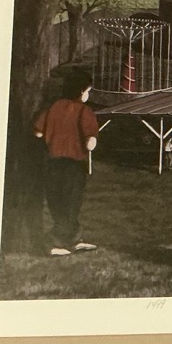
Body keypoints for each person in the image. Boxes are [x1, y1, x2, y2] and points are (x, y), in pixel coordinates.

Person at [33, 72, 100, 257]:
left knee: (57, 202)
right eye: (88, 91)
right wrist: (91, 143)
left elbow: (38, 132)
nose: (88, 95)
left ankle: (73, 239)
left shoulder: (53, 107)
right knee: (71, 203)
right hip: (73, 164)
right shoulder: (84, 111)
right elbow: (90, 141)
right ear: (81, 91)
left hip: (52, 162)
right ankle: (54, 241)